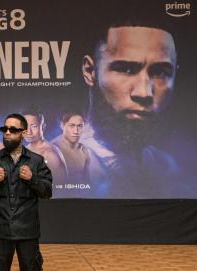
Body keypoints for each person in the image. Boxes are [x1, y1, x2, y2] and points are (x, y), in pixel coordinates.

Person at [80, 18, 186, 198]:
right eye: (126, 69)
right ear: (90, 72)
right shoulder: (58, 163)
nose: (144, 93)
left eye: (160, 73)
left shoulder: (168, 168)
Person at [0, 113, 52, 271]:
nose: (7, 132)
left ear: (23, 133)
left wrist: (32, 179)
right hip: (1, 230)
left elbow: (47, 192)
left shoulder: (36, 161)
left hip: (28, 231)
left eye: (13, 129)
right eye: (5, 129)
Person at [22, 109, 68, 184]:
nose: (29, 132)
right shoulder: (24, 150)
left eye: (34, 126)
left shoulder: (51, 154)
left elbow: (62, 189)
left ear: (43, 127)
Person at [52, 110, 90, 197]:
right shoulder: (51, 150)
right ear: (62, 125)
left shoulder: (84, 151)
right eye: (71, 126)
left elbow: (88, 185)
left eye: (80, 126)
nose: (76, 131)